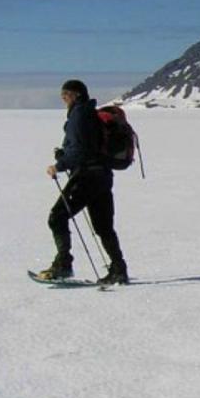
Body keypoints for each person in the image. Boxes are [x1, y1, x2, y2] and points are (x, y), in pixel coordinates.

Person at [35, 79, 129, 285]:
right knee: (104, 227)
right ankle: (118, 269)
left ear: (75, 95)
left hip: (87, 176)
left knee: (57, 217)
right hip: (103, 175)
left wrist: (59, 165)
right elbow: (86, 146)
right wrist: (65, 155)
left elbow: (80, 151)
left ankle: (63, 264)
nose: (63, 100)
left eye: (65, 95)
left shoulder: (79, 116)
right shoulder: (89, 114)